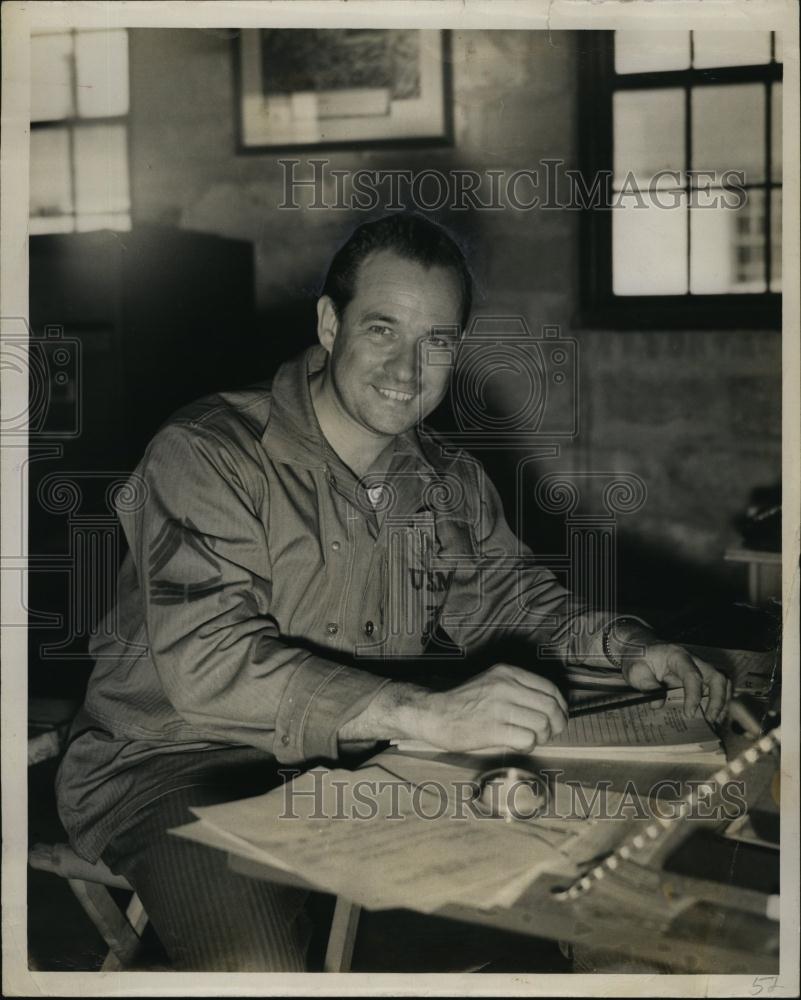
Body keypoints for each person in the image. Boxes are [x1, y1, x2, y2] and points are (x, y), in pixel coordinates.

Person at [56, 213, 730, 971]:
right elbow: (211, 662)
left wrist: (626, 646)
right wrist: (430, 713)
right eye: (382, 330)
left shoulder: (446, 478)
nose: (407, 370)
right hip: (171, 764)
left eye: (436, 341)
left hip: (349, 759)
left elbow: (507, 598)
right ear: (328, 322)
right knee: (256, 970)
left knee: (591, 876)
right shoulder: (207, 453)